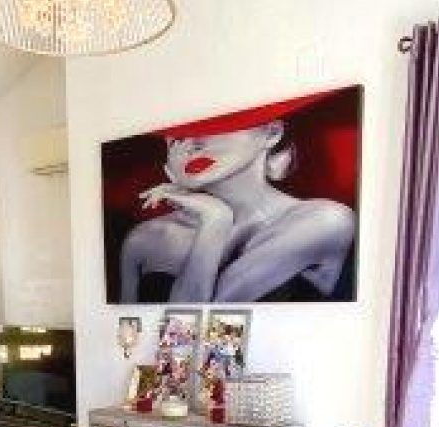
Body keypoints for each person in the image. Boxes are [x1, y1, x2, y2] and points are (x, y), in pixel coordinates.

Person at [120, 93, 356, 303]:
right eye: (177, 138)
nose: (192, 145)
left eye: (213, 128)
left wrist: (215, 221)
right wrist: (214, 217)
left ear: (272, 133)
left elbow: (199, 323)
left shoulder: (325, 220)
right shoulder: (145, 238)